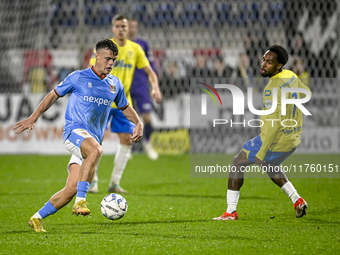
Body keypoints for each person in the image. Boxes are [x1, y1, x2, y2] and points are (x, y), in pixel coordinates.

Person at [13, 39, 143, 232]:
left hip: (90, 142)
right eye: (107, 59)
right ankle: (81, 202)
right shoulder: (78, 77)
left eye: (114, 60)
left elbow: (124, 107)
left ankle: (37, 217)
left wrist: (138, 122)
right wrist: (34, 117)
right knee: (96, 150)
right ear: (96, 55)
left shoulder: (115, 84)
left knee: (71, 189)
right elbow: (53, 95)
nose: (110, 64)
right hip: (74, 132)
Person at [213, 45, 310, 221]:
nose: (264, 64)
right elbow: (307, 93)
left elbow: (274, 124)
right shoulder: (291, 76)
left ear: (279, 66)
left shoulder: (272, 89)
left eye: (269, 62)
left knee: (237, 162)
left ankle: (230, 212)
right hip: (293, 139)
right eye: (264, 60)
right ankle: (297, 200)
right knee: (270, 165)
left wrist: (263, 150)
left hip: (275, 140)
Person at [88, 14, 162, 194]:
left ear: (128, 28)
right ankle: (93, 180)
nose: (122, 29)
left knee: (126, 140)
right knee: (95, 140)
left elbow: (150, 71)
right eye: (118, 26)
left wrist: (156, 88)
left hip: (123, 103)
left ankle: (114, 183)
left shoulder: (135, 49)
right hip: (102, 102)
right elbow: (91, 71)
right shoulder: (104, 49)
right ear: (113, 29)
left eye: (124, 26)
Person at [128, 18, 161, 160]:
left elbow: (151, 65)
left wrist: (155, 84)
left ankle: (147, 143)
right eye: (129, 26)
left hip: (141, 85)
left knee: (147, 117)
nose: (131, 29)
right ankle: (126, 147)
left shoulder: (143, 44)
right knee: (126, 118)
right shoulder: (118, 45)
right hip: (125, 85)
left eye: (134, 26)